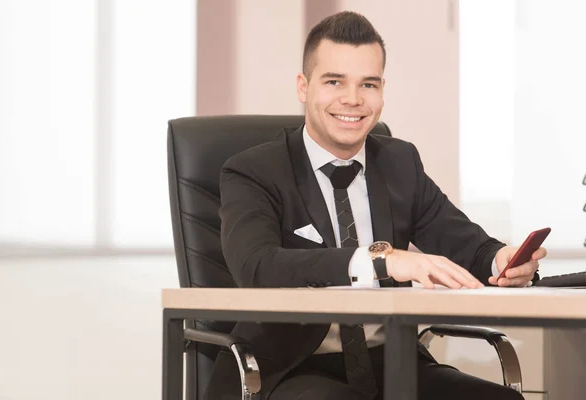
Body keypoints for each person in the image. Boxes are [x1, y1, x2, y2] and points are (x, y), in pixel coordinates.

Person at [205, 11, 545, 400]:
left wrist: (501, 261)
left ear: (382, 90)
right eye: (335, 81)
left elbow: (466, 243)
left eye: (368, 84)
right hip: (290, 369)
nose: (353, 99)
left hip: (390, 362)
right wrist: (379, 261)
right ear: (303, 86)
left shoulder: (399, 162)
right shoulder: (253, 171)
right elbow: (258, 266)